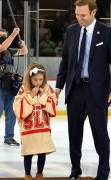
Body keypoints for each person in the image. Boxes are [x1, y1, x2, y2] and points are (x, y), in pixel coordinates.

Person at [55, 0, 111, 179]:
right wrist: (58, 87)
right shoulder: (72, 31)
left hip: (98, 92)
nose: (79, 19)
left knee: (100, 134)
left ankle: (103, 174)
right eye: (77, 15)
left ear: (94, 12)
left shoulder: (107, 33)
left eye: (83, 15)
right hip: (75, 90)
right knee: (74, 134)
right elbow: (65, 62)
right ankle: (75, 171)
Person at [13, 63, 56, 180]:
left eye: (41, 79)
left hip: (42, 125)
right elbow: (17, 106)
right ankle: (27, 173)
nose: (38, 82)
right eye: (35, 79)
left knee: (42, 150)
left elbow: (53, 103)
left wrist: (43, 96)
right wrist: (31, 96)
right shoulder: (23, 89)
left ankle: (40, 173)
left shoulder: (47, 88)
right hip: (29, 127)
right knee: (28, 151)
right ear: (30, 78)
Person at [0, 27, 28, 146]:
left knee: (11, 111)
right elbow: (2, 47)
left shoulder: (10, 51)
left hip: (10, 83)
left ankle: (9, 137)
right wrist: (13, 34)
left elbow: (24, 52)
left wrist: (23, 44)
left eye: (3, 35)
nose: (1, 37)